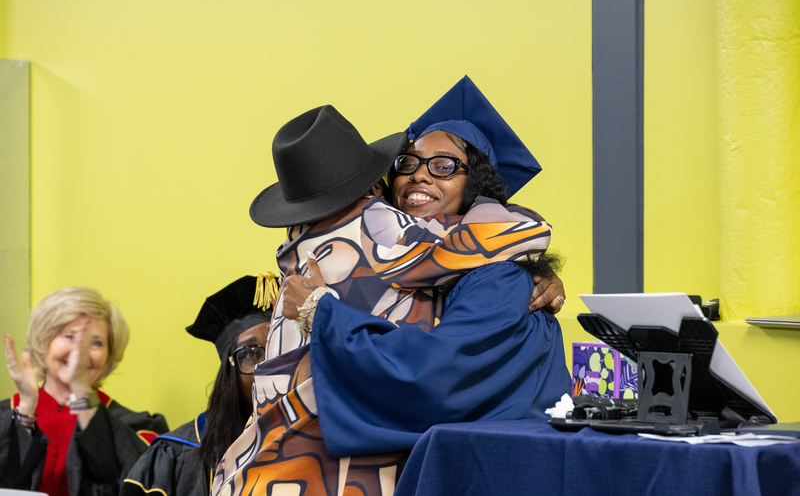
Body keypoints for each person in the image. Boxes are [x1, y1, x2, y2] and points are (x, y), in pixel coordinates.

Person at [212, 77, 570, 496]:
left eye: (443, 165)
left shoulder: (499, 275)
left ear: (477, 186)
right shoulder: (406, 268)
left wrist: (319, 310)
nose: (419, 176)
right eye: (408, 163)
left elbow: (432, 379)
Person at [1, 286, 169, 496]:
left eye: (95, 342)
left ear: (109, 353)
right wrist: (26, 407)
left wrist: (81, 392)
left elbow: (135, 485)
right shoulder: (7, 414)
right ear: (44, 342)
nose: (79, 351)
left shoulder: (132, 427)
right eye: (69, 337)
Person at [121, 275, 274, 496]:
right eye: (250, 354)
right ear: (229, 369)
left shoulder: (318, 442)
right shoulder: (174, 456)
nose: (269, 364)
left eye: (280, 348)